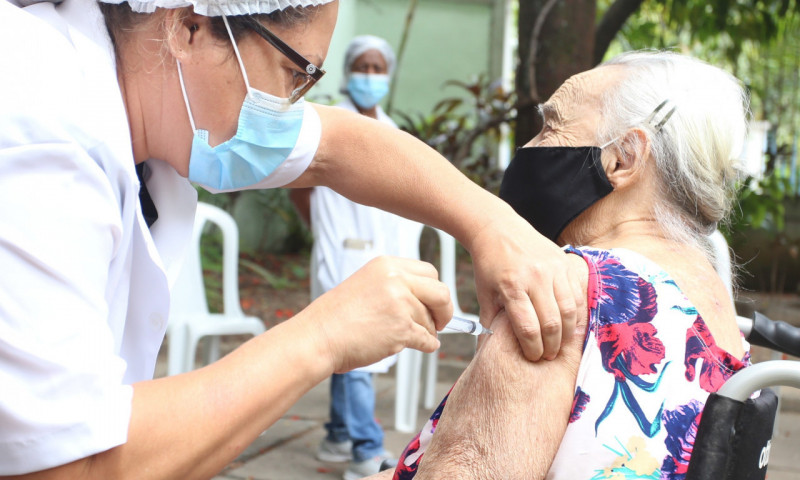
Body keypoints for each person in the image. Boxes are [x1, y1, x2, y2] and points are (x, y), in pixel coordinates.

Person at [0, 1, 585, 478]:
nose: (288, 110)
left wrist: (493, 226)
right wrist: (323, 335)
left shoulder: (164, 98)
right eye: (294, 74)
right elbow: (66, 463)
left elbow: (341, 145)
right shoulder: (38, 133)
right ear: (188, 26)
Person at [376, 50, 752, 480]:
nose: (528, 148)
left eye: (550, 127)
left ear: (622, 158)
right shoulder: (710, 293)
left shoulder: (561, 293)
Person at [290, 34, 419, 479]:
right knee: (356, 347)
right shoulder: (327, 123)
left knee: (350, 349)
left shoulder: (393, 130)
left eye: (377, 68)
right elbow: (297, 184)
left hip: (376, 256)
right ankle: (366, 451)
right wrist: (326, 230)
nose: (369, 75)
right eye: (362, 67)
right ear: (347, 71)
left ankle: (337, 436)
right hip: (340, 253)